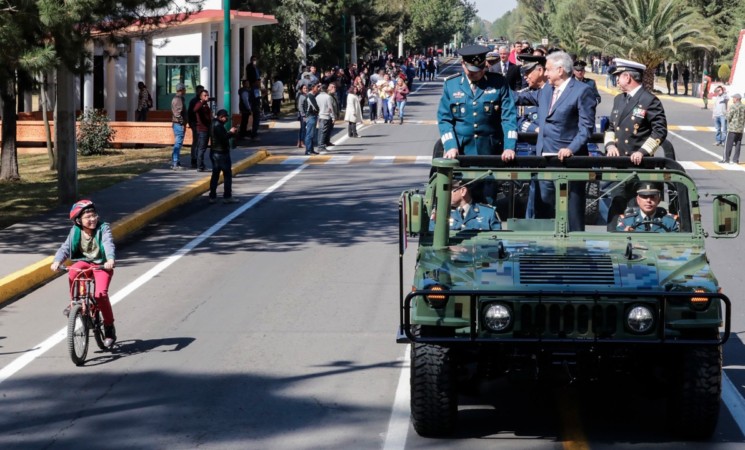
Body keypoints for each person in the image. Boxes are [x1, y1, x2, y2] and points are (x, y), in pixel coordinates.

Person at [515, 51, 596, 231]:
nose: (545, 73)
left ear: (560, 70)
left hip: (569, 162)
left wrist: (571, 149)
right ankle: (545, 251)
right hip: (545, 162)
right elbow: (520, 97)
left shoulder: (583, 91)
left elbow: (586, 128)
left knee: (572, 213)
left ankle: (574, 253)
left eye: (548, 70)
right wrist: (495, 89)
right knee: (544, 210)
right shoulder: (546, 91)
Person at [50, 200, 117, 347]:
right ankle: (75, 302)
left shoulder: (103, 228)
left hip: (102, 265)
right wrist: (57, 261)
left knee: (101, 295)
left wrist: (110, 259)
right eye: (88, 217)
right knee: (73, 272)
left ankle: (109, 328)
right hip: (85, 262)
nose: (93, 219)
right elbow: (65, 248)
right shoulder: (75, 231)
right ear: (78, 220)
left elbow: (108, 243)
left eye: (94, 215)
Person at [437, 44, 518, 160]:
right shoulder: (451, 85)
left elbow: (509, 117)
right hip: (460, 152)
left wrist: (509, 147)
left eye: (480, 69)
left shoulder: (499, 83)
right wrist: (451, 146)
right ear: (463, 65)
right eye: (472, 71)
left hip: (493, 152)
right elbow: (444, 120)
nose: (477, 74)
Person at [604, 58, 667, 165]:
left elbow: (659, 131)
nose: (617, 80)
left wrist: (642, 152)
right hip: (617, 161)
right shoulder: (619, 99)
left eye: (618, 76)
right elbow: (611, 127)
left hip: (638, 163)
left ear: (628, 77)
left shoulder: (649, 100)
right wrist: (610, 146)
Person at [429, 178, 501, 231]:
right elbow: (431, 239)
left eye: (450, 189)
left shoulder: (488, 213)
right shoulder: (440, 213)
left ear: (463, 191)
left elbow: (496, 242)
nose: (446, 193)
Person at [208, 109, 239, 204]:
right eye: (225, 117)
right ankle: (227, 196)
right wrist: (231, 132)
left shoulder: (214, 123)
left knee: (215, 174)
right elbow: (223, 137)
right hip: (221, 153)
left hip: (215, 152)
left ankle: (212, 195)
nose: (227, 119)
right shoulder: (218, 126)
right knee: (227, 175)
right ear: (221, 117)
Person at [192, 89, 212, 171]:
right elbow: (195, 109)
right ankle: (200, 166)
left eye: (207, 95)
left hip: (207, 128)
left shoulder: (205, 105)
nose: (207, 97)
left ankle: (200, 164)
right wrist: (203, 101)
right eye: (205, 95)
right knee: (201, 148)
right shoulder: (199, 103)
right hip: (202, 129)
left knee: (203, 148)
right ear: (201, 97)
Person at [722, 93, 745, 164]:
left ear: (736, 99)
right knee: (738, 145)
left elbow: (728, 117)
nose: (733, 99)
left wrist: (725, 113)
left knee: (728, 145)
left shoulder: (733, 106)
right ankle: (735, 160)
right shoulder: (743, 107)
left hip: (732, 129)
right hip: (740, 129)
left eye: (733, 98)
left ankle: (726, 159)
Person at [170, 83, 187, 170]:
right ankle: (175, 162)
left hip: (177, 124)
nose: (185, 91)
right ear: (181, 89)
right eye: (184, 89)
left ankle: (175, 160)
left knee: (178, 143)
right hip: (178, 124)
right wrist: (182, 123)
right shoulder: (178, 99)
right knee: (178, 143)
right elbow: (177, 114)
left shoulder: (178, 98)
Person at [188, 85, 205, 168]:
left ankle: (199, 160)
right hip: (195, 124)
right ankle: (194, 159)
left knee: (200, 143)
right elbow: (190, 113)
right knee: (196, 142)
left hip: (202, 125)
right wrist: (192, 124)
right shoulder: (194, 101)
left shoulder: (203, 101)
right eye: (201, 91)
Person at [303, 82, 321, 155]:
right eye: (317, 87)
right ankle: (308, 150)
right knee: (309, 134)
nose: (318, 88)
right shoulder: (310, 96)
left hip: (312, 116)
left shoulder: (312, 95)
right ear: (313, 88)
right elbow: (315, 107)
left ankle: (311, 150)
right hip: (311, 116)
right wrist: (318, 110)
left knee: (312, 134)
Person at [315, 84, 332, 152]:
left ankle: (319, 144)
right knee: (324, 131)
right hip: (326, 116)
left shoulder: (317, 97)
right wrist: (332, 116)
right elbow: (330, 108)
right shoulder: (328, 97)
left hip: (320, 115)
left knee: (320, 131)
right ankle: (321, 145)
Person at [296, 83, 308, 148]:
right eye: (304, 88)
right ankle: (301, 142)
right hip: (302, 115)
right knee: (303, 129)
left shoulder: (306, 96)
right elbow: (300, 106)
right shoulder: (301, 96)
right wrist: (303, 115)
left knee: (302, 129)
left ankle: (299, 142)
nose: (305, 89)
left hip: (306, 114)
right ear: (301, 89)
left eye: (306, 88)